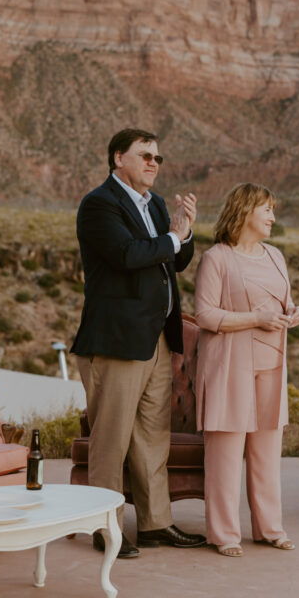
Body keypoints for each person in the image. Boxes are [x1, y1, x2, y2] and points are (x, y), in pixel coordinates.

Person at [72, 127, 206, 558]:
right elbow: (128, 256)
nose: (154, 163)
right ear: (117, 159)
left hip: (158, 338)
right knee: (111, 439)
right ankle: (104, 525)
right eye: (145, 155)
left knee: (152, 437)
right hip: (116, 340)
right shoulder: (99, 205)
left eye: (158, 158)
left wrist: (184, 235)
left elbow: (176, 262)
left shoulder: (158, 205)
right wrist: (171, 238)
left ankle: (155, 524)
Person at [194, 183, 299, 557]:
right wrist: (255, 318)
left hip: (272, 363)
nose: (273, 217)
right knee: (225, 454)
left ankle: (270, 529)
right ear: (245, 212)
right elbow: (205, 315)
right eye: (267, 209)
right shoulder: (217, 259)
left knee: (267, 453)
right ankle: (225, 534)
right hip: (230, 366)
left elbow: (284, 302)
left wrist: (294, 312)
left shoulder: (276, 256)